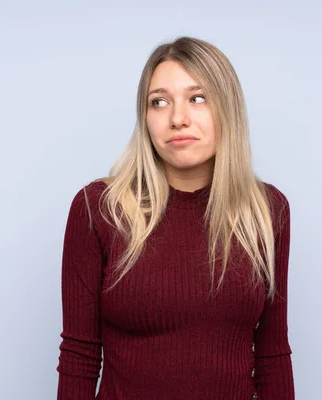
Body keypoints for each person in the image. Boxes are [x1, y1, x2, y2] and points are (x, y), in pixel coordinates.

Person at [56, 36, 295, 399]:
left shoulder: (266, 211)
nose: (178, 118)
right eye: (159, 102)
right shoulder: (100, 209)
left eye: (197, 98)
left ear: (227, 109)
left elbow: (272, 355)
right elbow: (80, 355)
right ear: (145, 117)